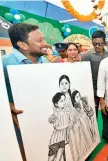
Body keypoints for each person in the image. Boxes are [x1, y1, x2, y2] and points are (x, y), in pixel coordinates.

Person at [2, 23, 49, 161]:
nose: (45, 44)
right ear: (23, 45)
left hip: (42, 122)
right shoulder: (4, 64)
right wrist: (7, 105)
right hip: (18, 128)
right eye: (39, 40)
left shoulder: (44, 62)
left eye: (43, 39)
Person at [81, 30, 108, 118]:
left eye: (100, 44)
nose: (97, 46)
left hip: (107, 91)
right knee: (93, 117)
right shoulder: (87, 55)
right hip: (92, 91)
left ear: (104, 43)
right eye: (95, 43)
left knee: (107, 116)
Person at [48, 92, 70, 161]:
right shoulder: (55, 114)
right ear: (56, 104)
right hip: (55, 140)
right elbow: (56, 127)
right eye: (61, 101)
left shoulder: (66, 112)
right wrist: (67, 125)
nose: (64, 102)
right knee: (51, 158)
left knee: (59, 158)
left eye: (64, 100)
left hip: (62, 140)